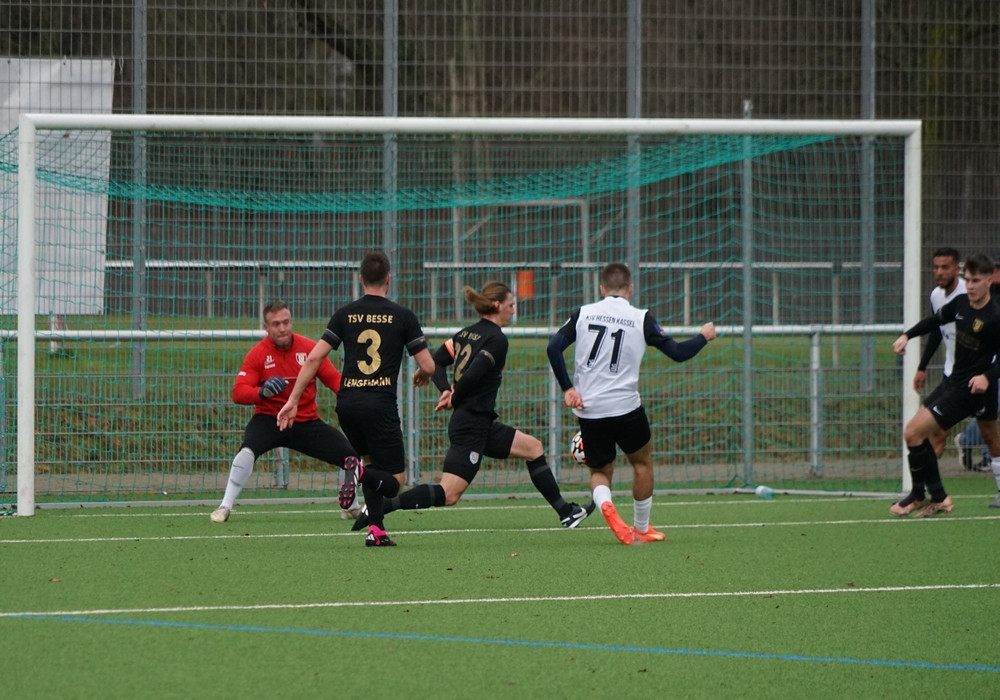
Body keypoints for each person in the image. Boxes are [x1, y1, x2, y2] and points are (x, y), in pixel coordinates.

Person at [352, 281, 593, 534]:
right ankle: (380, 507)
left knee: (533, 448)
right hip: (470, 426)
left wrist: (445, 389)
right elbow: (473, 374)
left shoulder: (465, 333)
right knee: (449, 494)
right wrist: (453, 396)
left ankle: (566, 512)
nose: (513, 310)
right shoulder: (497, 339)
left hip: (480, 422)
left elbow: (436, 362)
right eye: (511, 305)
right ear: (497, 305)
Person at [546, 262, 717, 545]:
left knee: (600, 471)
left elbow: (553, 347)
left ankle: (605, 504)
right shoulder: (641, 318)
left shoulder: (584, 313)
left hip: (590, 410)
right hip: (626, 407)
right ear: (631, 288)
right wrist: (703, 337)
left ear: (602, 289)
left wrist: (568, 388)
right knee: (642, 463)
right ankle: (641, 528)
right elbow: (678, 353)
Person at [280, 251, 437, 547]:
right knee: (394, 481)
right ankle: (359, 474)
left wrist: (293, 400)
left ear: (361, 279)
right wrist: (424, 373)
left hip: (348, 402)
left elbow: (314, 357)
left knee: (370, 462)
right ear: (389, 279)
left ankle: (376, 530)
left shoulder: (345, 314)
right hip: (380, 405)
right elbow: (428, 365)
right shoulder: (402, 316)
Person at [210, 301, 355, 523]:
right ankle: (225, 506)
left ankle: (351, 506)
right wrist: (262, 393)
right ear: (266, 327)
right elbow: (238, 393)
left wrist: (356, 397)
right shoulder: (257, 354)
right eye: (276, 324)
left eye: (286, 322)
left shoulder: (309, 349)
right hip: (269, 420)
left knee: (351, 457)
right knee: (246, 451)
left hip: (306, 421)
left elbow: (335, 380)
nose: (282, 328)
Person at [891, 252, 1000, 517]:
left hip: (969, 391)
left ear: (989, 281)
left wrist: (987, 377)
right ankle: (930, 496)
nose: (970, 286)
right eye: (968, 280)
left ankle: (927, 495)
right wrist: (907, 335)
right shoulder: (961, 303)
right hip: (953, 382)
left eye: (976, 280)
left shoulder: (995, 316)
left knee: (914, 432)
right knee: (916, 435)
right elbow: (935, 322)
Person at [954, 251, 1000, 478]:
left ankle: (975, 446)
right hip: (989, 368)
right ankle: (971, 443)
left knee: (990, 416)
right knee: (990, 414)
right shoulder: (986, 299)